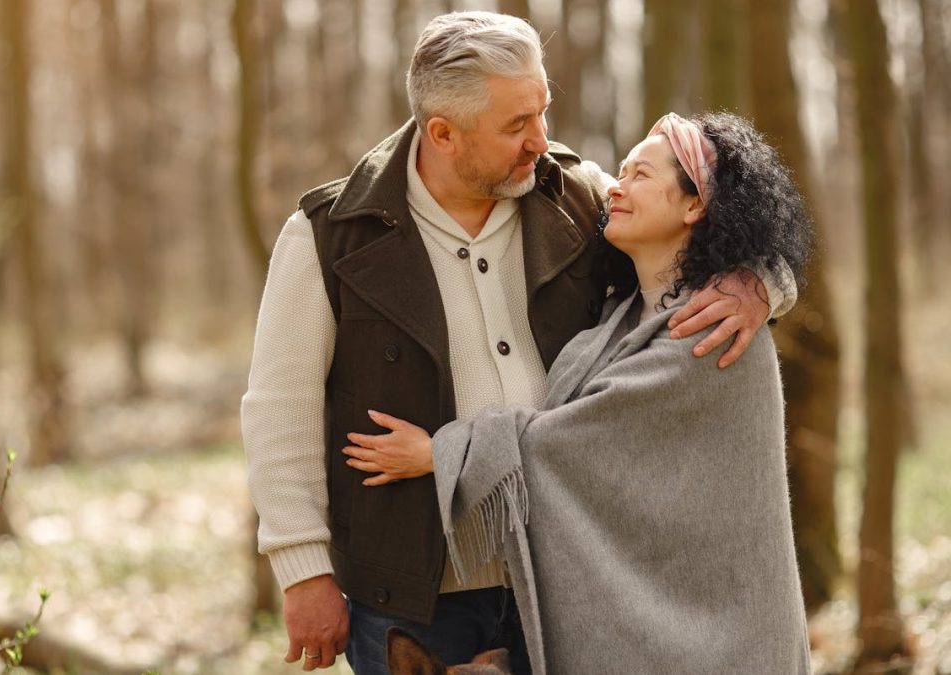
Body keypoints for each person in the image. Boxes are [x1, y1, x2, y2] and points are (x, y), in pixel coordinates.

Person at [240, 12, 796, 674]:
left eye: (542, 111)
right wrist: (302, 568)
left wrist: (763, 281)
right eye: (516, 126)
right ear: (443, 133)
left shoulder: (577, 197)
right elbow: (280, 408)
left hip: (565, 576)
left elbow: (697, 241)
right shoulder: (330, 235)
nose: (541, 139)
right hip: (414, 596)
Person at [342, 112, 812, 674]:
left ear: (694, 206)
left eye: (641, 174)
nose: (616, 186)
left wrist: (441, 453)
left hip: (723, 640)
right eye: (621, 170)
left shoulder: (717, 329)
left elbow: (577, 443)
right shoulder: (620, 316)